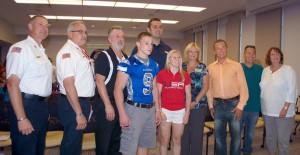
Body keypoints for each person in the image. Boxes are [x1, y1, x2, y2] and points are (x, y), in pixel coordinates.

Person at [5, 15, 52, 155]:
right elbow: (12, 83)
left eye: (47, 26)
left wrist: (44, 110)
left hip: (41, 107)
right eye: (40, 25)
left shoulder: (41, 51)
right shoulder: (20, 48)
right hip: (26, 106)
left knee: (38, 149)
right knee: (25, 149)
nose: (44, 29)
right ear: (30, 26)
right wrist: (21, 118)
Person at [114, 32, 161, 155]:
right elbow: (118, 89)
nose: (149, 46)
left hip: (150, 109)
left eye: (151, 44)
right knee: (129, 148)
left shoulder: (154, 64)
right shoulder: (128, 63)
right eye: (146, 43)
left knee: (144, 145)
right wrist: (122, 114)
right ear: (138, 44)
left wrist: (157, 110)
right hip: (134, 109)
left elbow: (154, 88)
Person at [56, 21, 95, 155]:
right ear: (69, 33)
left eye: (85, 32)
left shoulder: (78, 50)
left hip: (80, 101)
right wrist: (78, 113)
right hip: (73, 104)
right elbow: (68, 84)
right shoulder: (68, 52)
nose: (84, 35)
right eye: (80, 31)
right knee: (71, 143)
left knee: (75, 141)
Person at [207, 39, 249, 155]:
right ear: (214, 51)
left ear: (227, 49)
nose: (220, 50)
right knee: (219, 138)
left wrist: (240, 106)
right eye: (217, 48)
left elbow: (243, 87)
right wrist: (210, 106)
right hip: (218, 106)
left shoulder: (236, 66)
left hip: (234, 105)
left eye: (223, 47)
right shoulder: (210, 68)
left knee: (235, 138)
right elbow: (209, 89)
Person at [93, 25, 128, 155]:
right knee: (104, 142)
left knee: (116, 142)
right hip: (107, 103)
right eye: (117, 36)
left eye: (122, 36)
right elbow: (99, 81)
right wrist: (108, 105)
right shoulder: (103, 56)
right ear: (109, 39)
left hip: (121, 104)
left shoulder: (125, 57)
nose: (121, 39)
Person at [260, 47, 297, 155]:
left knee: (282, 141)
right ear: (269, 57)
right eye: (272, 54)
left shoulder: (288, 70)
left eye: (277, 54)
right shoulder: (265, 70)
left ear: (281, 56)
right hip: (267, 112)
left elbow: (292, 90)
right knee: (270, 139)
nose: (275, 56)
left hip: (283, 112)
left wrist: (285, 108)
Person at [157, 50, 191, 155]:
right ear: (169, 60)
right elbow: (157, 94)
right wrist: (160, 112)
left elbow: (188, 95)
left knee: (177, 140)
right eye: (174, 57)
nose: (177, 59)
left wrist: (187, 113)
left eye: (179, 57)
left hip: (180, 112)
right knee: (164, 141)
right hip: (165, 111)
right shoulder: (162, 74)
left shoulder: (185, 75)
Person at [181, 43, 209, 155]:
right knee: (183, 134)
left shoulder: (202, 67)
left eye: (195, 52)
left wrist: (195, 101)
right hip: (181, 105)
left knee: (197, 135)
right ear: (186, 53)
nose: (193, 54)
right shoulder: (181, 66)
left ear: (198, 54)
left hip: (199, 105)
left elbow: (206, 86)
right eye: (190, 51)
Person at [240, 45, 263, 155]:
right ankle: (235, 150)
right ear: (244, 54)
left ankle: (247, 151)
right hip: (240, 107)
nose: (251, 55)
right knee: (237, 132)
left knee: (250, 133)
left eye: (253, 53)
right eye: (248, 53)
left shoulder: (260, 69)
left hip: (254, 107)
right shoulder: (238, 67)